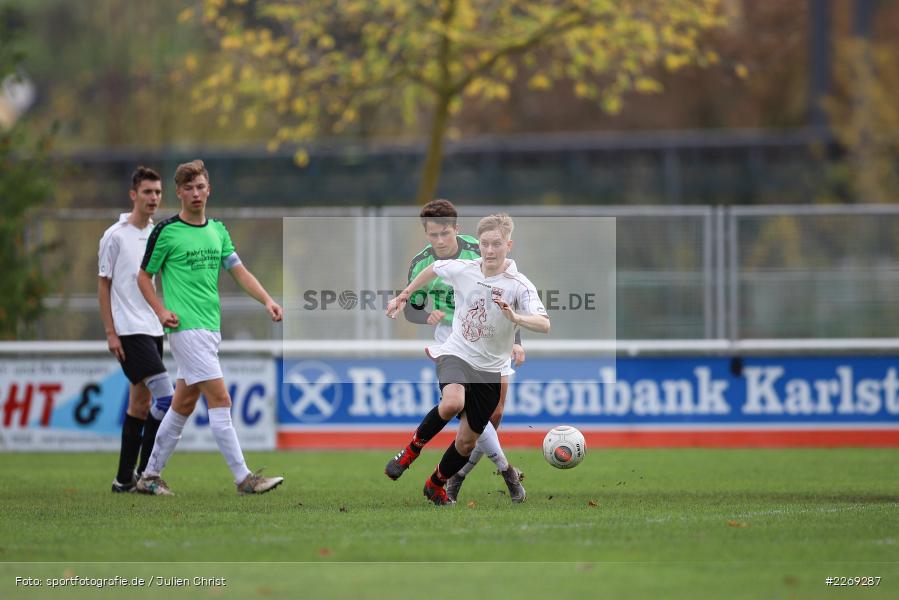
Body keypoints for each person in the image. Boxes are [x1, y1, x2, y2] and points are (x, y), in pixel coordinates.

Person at [134, 159, 284, 496]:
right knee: (221, 398)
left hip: (209, 327)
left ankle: (149, 476)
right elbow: (143, 277)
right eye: (188, 188)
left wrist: (267, 300)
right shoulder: (166, 231)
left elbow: (239, 271)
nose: (195, 193)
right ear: (180, 193)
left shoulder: (217, 230)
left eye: (200, 186)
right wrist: (160, 311)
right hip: (186, 328)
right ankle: (244, 478)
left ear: (208, 189)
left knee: (183, 404)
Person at [386, 213, 550, 506]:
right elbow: (434, 269)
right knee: (452, 403)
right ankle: (410, 451)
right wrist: (405, 295)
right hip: (457, 352)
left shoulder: (519, 285)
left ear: (508, 245)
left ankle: (436, 483)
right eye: (485, 244)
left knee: (467, 441)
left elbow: (544, 322)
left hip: (490, 369)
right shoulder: (465, 268)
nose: (489, 250)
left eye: (496, 244)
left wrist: (516, 318)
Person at [98, 166, 175, 493]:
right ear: (134, 195)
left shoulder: (156, 233)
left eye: (157, 192)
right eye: (147, 192)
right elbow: (104, 285)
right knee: (166, 396)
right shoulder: (115, 236)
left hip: (152, 328)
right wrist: (110, 332)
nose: (154, 198)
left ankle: (123, 479)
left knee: (139, 405)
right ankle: (147, 475)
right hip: (129, 330)